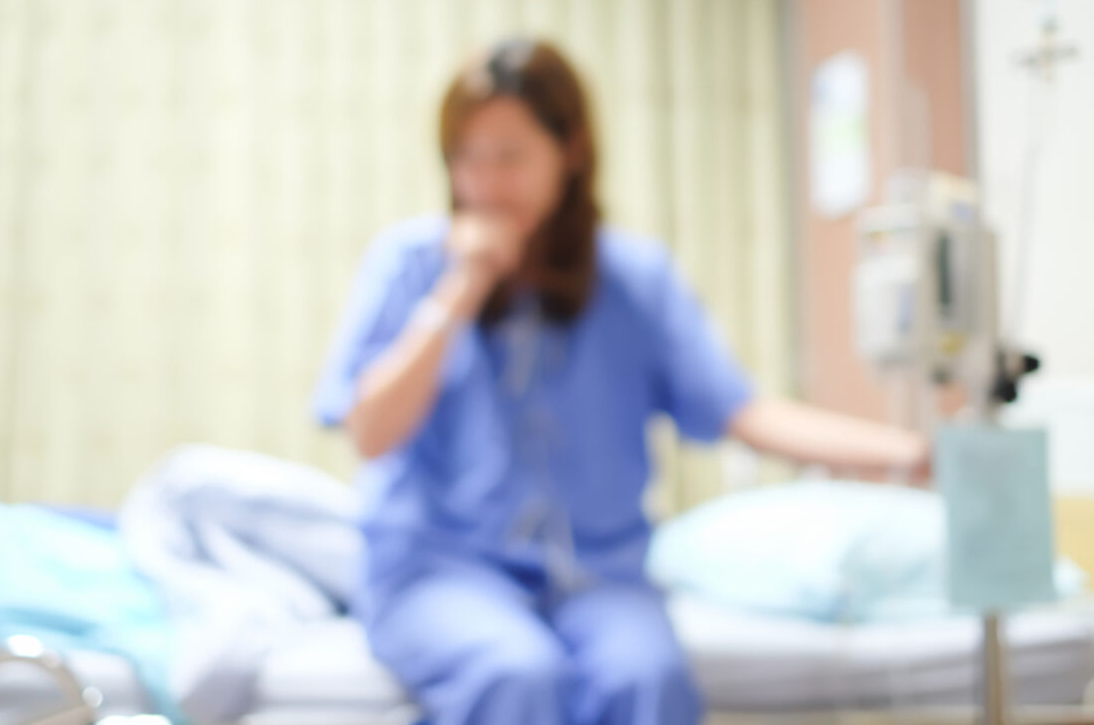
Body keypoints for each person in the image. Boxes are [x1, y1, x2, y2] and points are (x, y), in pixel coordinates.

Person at [313, 37, 928, 725]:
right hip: (441, 570)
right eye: (465, 157)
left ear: (570, 150)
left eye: (509, 156)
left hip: (597, 575)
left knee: (645, 676)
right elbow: (370, 433)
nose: (483, 182)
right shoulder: (410, 264)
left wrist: (911, 453)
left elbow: (741, 411)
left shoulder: (632, 280)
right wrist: (462, 287)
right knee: (515, 673)